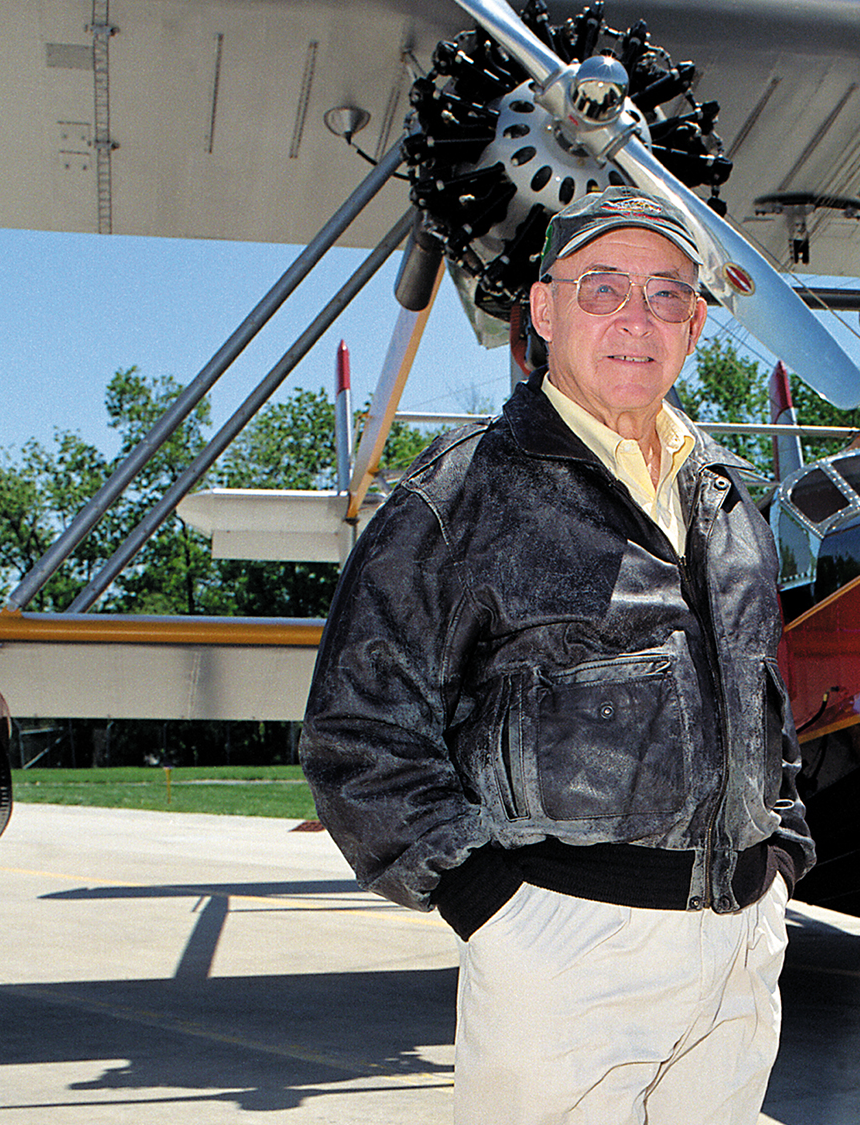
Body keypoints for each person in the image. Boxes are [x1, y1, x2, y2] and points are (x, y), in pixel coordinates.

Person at [299, 186, 814, 1125]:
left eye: (666, 294)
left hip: (742, 944)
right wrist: (493, 903)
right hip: (565, 946)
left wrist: (780, 847)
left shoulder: (733, 501)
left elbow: (763, 693)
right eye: (602, 288)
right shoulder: (459, 498)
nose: (636, 318)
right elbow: (356, 732)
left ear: (696, 324)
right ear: (543, 310)